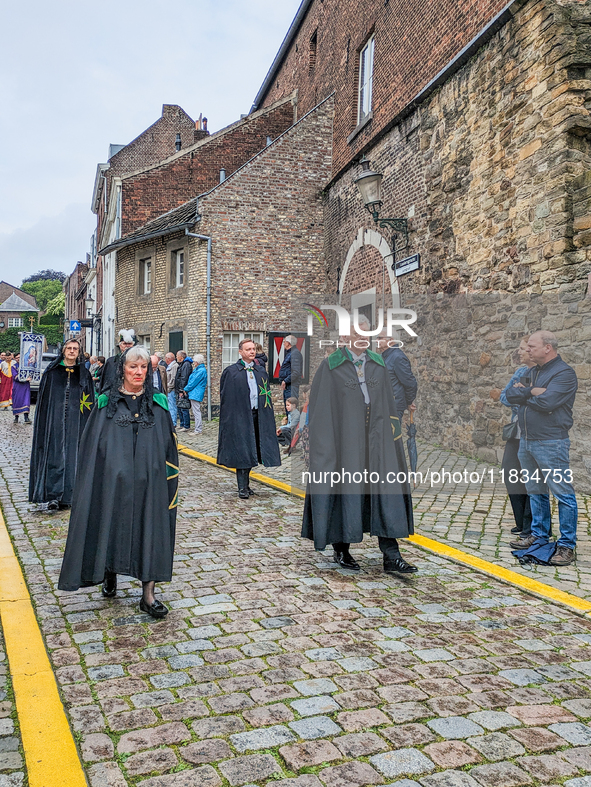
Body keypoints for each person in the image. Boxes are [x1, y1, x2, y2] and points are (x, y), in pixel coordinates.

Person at [57, 346, 178, 619]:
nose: (138, 372)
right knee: (111, 523)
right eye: (133, 367)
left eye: (143, 367)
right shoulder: (105, 404)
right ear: (122, 369)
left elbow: (169, 449)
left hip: (151, 483)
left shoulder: (158, 404)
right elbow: (92, 449)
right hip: (113, 482)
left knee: (151, 530)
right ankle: (108, 571)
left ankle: (148, 596)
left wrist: (165, 481)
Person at [302, 315, 416, 574]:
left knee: (385, 494)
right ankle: (341, 548)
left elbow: (389, 407)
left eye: (368, 334)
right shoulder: (330, 367)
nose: (365, 339)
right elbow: (320, 412)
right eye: (359, 334)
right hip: (343, 445)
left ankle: (391, 555)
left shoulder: (378, 365)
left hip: (377, 443)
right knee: (344, 491)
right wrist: (323, 448)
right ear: (345, 337)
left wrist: (393, 443)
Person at [506, 330, 578, 566]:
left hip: (551, 441)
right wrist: (531, 391)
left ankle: (567, 546)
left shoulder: (564, 373)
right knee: (536, 492)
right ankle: (539, 535)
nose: (527, 350)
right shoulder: (530, 372)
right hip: (526, 440)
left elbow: (549, 402)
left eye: (532, 347)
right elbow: (510, 395)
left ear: (548, 347)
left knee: (562, 494)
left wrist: (524, 392)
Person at [29, 339, 95, 511]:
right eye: (69, 348)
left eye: (75, 349)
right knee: (55, 455)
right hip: (54, 421)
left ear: (79, 352)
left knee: (74, 456)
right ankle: (53, 496)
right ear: (64, 350)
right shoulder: (52, 373)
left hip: (76, 422)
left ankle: (70, 495)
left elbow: (88, 401)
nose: (72, 351)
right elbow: (44, 401)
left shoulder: (84, 374)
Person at [217, 338, 281, 498]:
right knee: (242, 450)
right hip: (239, 417)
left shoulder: (260, 372)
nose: (252, 352)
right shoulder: (231, 372)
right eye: (248, 349)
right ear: (240, 352)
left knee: (254, 449)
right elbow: (225, 397)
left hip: (258, 415)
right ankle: (242, 487)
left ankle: (246, 484)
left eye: (253, 349)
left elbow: (266, 395)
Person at [501, 337, 535, 543]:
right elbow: (505, 396)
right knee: (510, 472)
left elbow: (539, 399)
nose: (519, 352)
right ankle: (521, 521)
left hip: (533, 433)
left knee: (532, 479)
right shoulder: (519, 372)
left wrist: (520, 393)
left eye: (522, 348)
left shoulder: (541, 374)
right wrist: (521, 395)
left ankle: (531, 525)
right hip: (516, 433)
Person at [379, 332, 417, 420]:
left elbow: (410, 383)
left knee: (392, 433)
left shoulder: (398, 357)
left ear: (391, 340)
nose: (377, 341)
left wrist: (408, 402)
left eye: (380, 338)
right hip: (384, 403)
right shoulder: (383, 357)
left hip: (393, 406)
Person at [98, 329, 136, 394]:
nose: (127, 346)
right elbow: (105, 381)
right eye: (125, 344)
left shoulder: (139, 361)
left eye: (129, 344)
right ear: (120, 346)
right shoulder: (111, 362)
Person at [279, 335, 303, 412]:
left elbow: (296, 372)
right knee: (288, 409)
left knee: (291, 410)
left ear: (288, 343)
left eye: (284, 342)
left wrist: (285, 380)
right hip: (289, 387)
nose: (283, 343)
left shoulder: (295, 354)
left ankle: (293, 424)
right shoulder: (291, 353)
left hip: (291, 387)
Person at [184, 355, 207, 434]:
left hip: (196, 392)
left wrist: (186, 389)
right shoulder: (200, 370)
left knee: (196, 411)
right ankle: (197, 428)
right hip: (195, 392)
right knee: (196, 411)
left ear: (197, 362)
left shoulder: (200, 371)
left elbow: (193, 381)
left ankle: (198, 429)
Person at [175, 350, 193, 432]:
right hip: (179, 389)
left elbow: (184, 377)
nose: (176, 357)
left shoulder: (186, 365)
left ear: (181, 357)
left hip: (183, 389)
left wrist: (182, 390)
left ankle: (186, 425)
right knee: (180, 407)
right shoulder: (182, 364)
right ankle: (182, 424)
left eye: (177, 356)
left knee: (184, 407)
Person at [11, 354, 31, 424]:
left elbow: (31, 373)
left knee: (26, 400)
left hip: (25, 386)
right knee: (17, 400)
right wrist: (25, 379)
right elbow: (15, 377)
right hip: (17, 386)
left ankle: (26, 418)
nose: (18, 359)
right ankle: (16, 417)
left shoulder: (27, 366)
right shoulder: (13, 367)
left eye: (19, 357)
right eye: (16, 358)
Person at [165, 352, 178, 427]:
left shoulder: (174, 366)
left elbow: (173, 378)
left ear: (168, 359)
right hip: (169, 388)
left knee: (172, 406)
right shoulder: (170, 366)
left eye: (166, 358)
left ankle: (173, 422)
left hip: (171, 389)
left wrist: (169, 387)